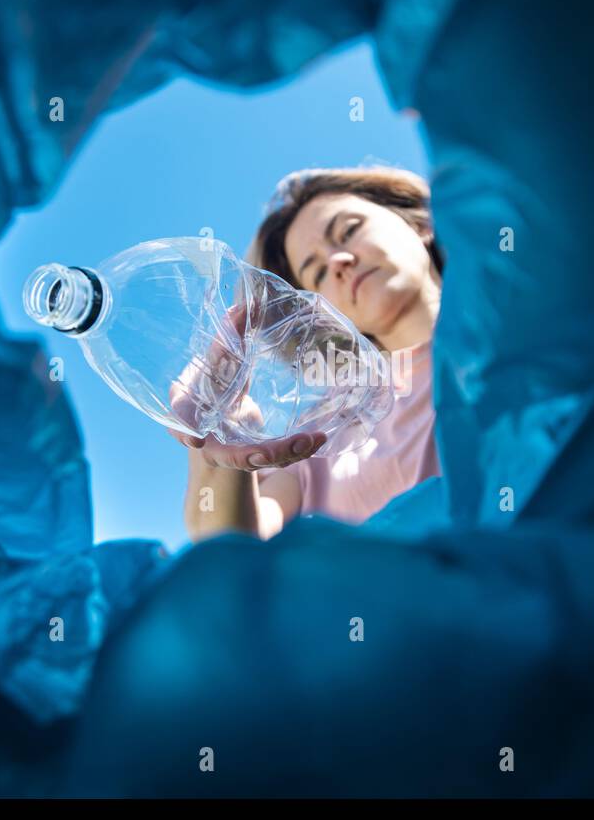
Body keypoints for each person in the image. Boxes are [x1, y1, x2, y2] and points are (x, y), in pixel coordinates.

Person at [179, 167, 445, 540]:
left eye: (349, 231)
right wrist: (217, 441)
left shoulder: (528, 312)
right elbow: (234, 542)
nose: (338, 262)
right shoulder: (325, 430)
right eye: (317, 273)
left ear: (417, 224)